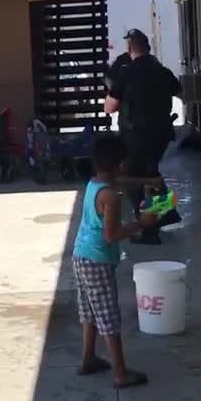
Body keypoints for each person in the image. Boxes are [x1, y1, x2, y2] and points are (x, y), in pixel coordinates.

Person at [73, 133, 154, 387]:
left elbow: (120, 180)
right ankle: (121, 374)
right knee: (108, 316)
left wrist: (147, 180)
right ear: (120, 164)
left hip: (80, 257)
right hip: (98, 261)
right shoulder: (112, 197)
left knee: (89, 311)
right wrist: (141, 222)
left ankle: (88, 358)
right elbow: (112, 235)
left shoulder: (94, 183)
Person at [105, 28, 181, 244]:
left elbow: (110, 107)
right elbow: (177, 89)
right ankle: (166, 214)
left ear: (130, 48)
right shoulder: (162, 70)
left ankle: (149, 228)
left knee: (134, 180)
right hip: (161, 134)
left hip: (136, 136)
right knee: (152, 174)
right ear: (147, 47)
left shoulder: (127, 73)